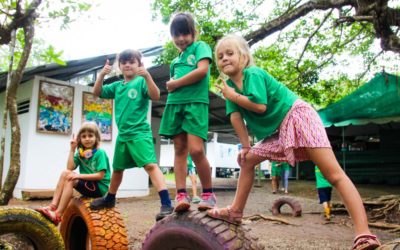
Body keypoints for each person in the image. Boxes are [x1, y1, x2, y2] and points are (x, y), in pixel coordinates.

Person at [208, 34, 381, 250]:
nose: (224, 58)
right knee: (248, 160)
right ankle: (235, 211)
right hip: (280, 129)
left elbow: (259, 105)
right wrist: (245, 146)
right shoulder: (230, 90)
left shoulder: (252, 74)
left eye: (230, 53)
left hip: (298, 116)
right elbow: (235, 117)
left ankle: (364, 234)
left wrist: (231, 96)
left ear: (243, 56)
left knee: (333, 174)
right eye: (220, 56)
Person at [89, 49, 173, 221]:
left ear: (139, 65)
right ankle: (110, 199)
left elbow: (156, 95)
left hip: (140, 133)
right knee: (118, 170)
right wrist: (101, 76)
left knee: (150, 166)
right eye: (124, 62)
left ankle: (166, 203)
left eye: (132, 61)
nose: (127, 64)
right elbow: (97, 92)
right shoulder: (117, 86)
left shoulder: (141, 82)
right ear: (119, 66)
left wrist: (148, 77)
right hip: (123, 135)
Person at [158, 12, 216, 212]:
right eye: (176, 34)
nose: (181, 38)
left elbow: (202, 72)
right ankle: (181, 194)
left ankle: (208, 193)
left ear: (193, 33)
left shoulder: (201, 47)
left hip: (195, 103)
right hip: (175, 105)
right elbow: (174, 86)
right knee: (179, 149)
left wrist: (174, 83)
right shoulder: (175, 60)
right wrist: (172, 86)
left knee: (196, 150)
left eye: (184, 33)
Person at [35, 122, 111, 225]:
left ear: (96, 137)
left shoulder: (99, 153)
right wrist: (72, 149)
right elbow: (69, 167)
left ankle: (58, 214)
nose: (87, 138)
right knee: (65, 173)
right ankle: (52, 206)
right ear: (80, 139)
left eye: (90, 136)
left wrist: (78, 176)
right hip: (88, 183)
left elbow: (100, 176)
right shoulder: (81, 153)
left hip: (98, 187)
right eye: (84, 136)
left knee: (71, 179)